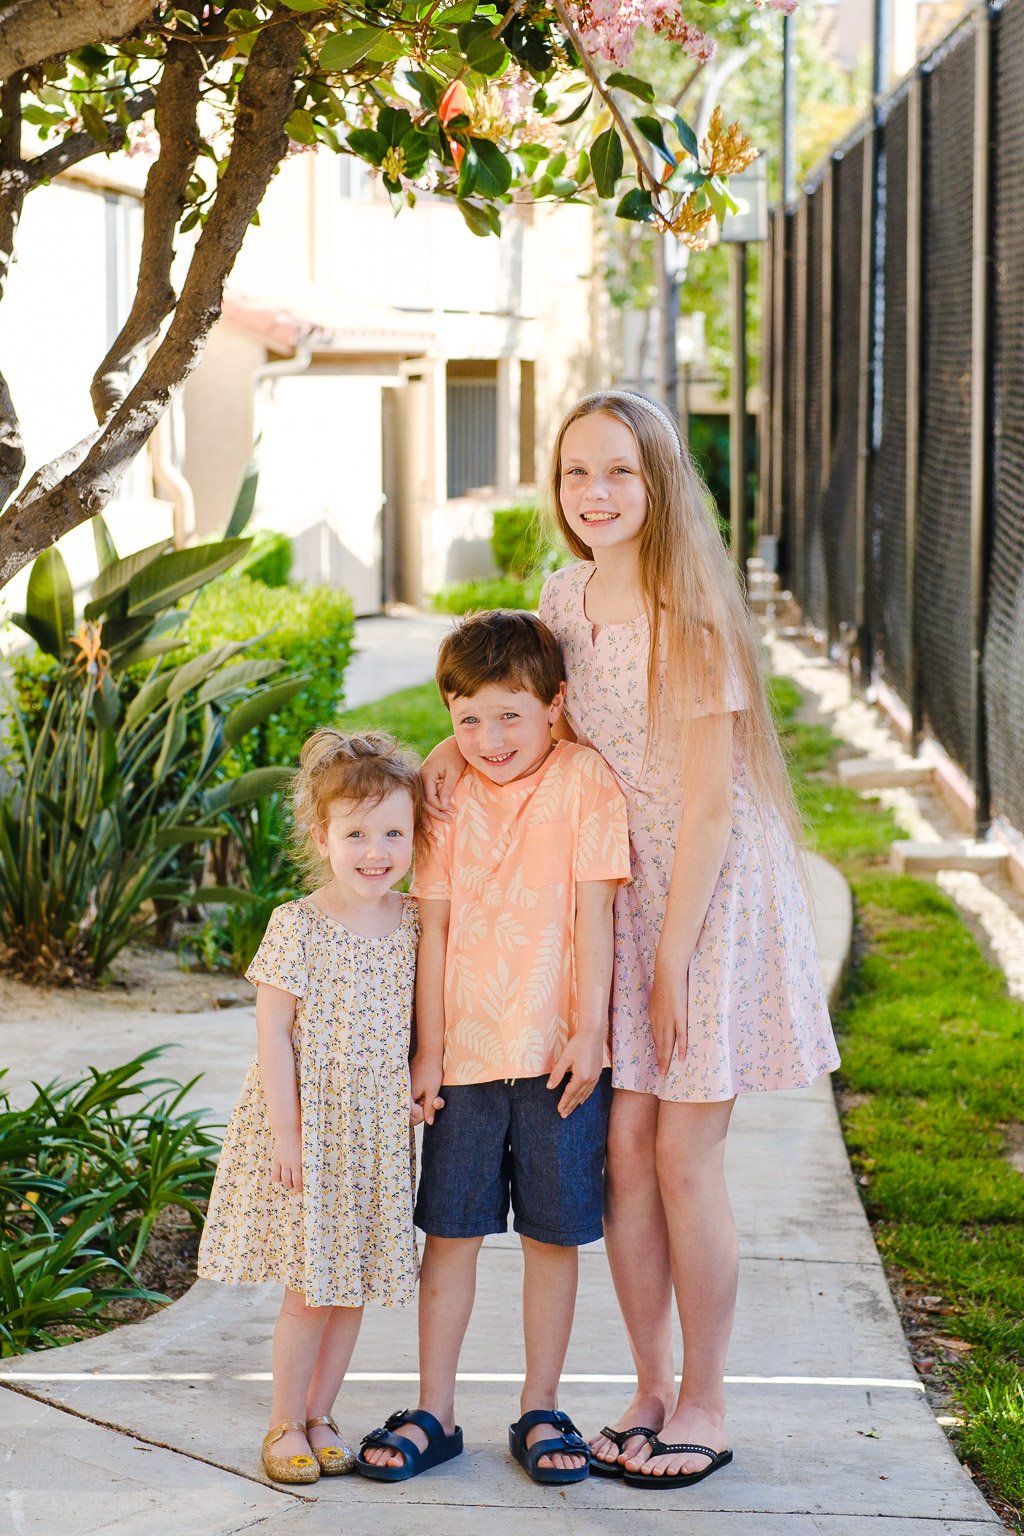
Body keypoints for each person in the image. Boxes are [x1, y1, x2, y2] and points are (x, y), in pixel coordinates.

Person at [421, 391, 839, 1492]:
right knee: (618, 1165)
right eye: (574, 475)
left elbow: (706, 813)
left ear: (656, 483)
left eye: (617, 473)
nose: (594, 494)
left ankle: (706, 1399)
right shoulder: (563, 591)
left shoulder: (691, 612)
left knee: (681, 1160)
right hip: (614, 893)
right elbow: (522, 700)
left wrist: (667, 967)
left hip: (707, 904)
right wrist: (440, 754)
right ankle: (650, 1387)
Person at [356, 609, 631, 1487]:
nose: (489, 737)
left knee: (554, 1239)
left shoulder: (587, 781)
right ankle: (434, 1411)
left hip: (559, 1060)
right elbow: (431, 934)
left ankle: (541, 1406)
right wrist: (425, 1053)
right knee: (452, 1233)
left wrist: (591, 1035)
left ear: (557, 706)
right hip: (465, 1063)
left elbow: (595, 917)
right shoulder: (445, 799)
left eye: (511, 714)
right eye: (468, 717)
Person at [197, 729, 427, 1485]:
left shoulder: (414, 922)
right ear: (320, 836)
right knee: (308, 1288)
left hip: (377, 1133)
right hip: (313, 1129)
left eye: (393, 832)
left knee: (352, 1281)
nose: (375, 851)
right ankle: (281, 1423)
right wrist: (289, 1133)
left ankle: (324, 1412)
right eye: (355, 833)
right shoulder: (298, 923)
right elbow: (271, 1032)